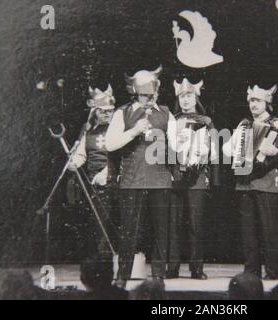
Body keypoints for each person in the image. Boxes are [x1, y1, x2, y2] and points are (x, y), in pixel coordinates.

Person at [105, 66, 177, 285]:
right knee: (129, 231)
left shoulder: (165, 113)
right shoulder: (123, 112)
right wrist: (134, 131)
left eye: (152, 92)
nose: (149, 96)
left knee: (160, 231)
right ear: (135, 91)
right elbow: (110, 143)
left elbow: (174, 146)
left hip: (159, 178)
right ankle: (122, 276)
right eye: (145, 93)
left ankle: (158, 277)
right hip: (132, 179)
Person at [223, 84, 278, 280]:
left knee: (269, 229)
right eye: (251, 101)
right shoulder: (244, 125)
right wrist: (238, 148)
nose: (253, 105)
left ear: (267, 103)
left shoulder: (276, 124)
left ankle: (271, 271)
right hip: (245, 183)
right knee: (248, 231)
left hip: (267, 182)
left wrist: (276, 150)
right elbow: (227, 150)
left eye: (257, 101)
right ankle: (251, 271)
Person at [167, 78, 218, 280]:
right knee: (174, 223)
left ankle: (197, 268)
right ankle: (172, 267)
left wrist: (208, 170)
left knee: (196, 224)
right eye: (182, 96)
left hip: (197, 178)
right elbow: (165, 149)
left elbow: (214, 151)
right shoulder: (172, 120)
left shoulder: (206, 121)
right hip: (175, 176)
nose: (186, 100)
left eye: (189, 96)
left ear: (196, 97)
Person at [68, 85, 117, 260]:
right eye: (103, 111)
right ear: (95, 111)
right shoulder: (88, 130)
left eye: (110, 111)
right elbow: (81, 153)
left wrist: (106, 172)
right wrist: (74, 162)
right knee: (97, 222)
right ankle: (97, 260)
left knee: (110, 222)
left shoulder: (117, 129)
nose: (107, 114)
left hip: (113, 180)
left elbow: (120, 156)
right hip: (93, 182)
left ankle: (111, 261)